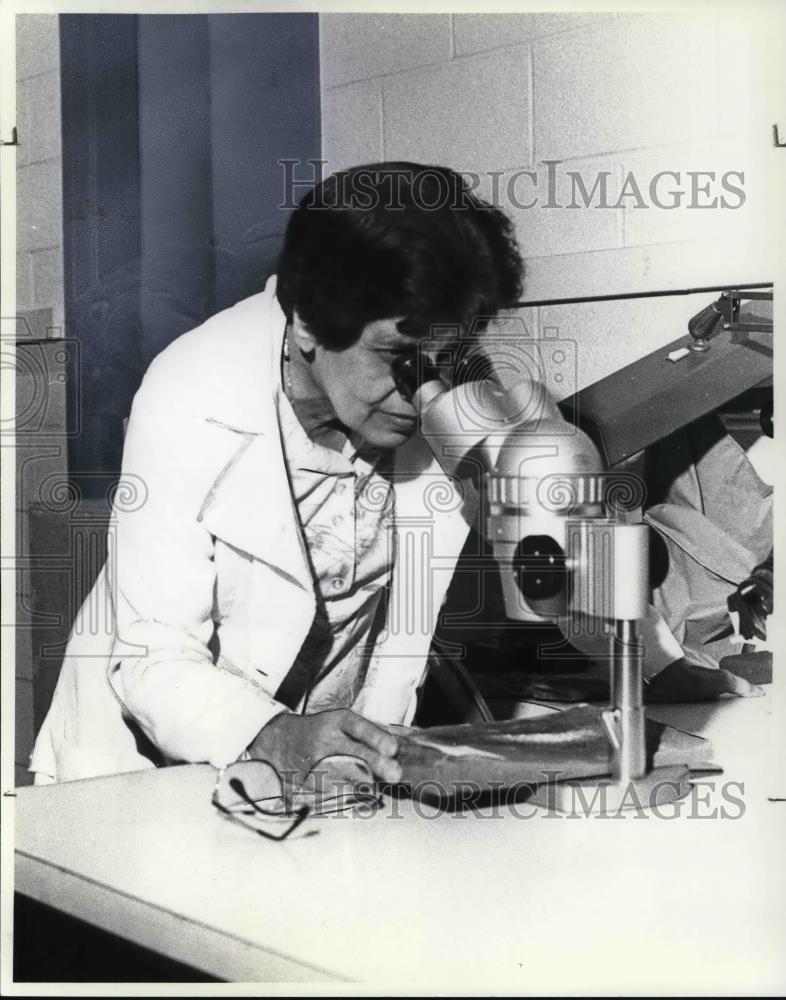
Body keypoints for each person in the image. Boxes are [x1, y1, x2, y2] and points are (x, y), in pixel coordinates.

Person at [29, 162, 524, 787]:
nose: (419, 393)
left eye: (445, 356)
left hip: (320, 767)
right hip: (140, 758)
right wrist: (277, 735)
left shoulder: (447, 387)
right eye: (398, 357)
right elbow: (154, 653)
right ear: (310, 325)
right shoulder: (193, 389)